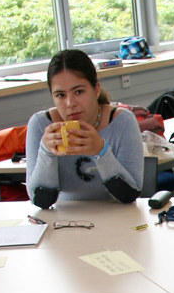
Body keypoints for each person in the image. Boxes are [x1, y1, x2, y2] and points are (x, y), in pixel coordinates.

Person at [26, 49, 144, 208]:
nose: (70, 104)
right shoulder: (41, 124)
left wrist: (101, 152)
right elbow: (41, 201)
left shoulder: (122, 121)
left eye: (79, 92)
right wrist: (47, 152)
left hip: (116, 217)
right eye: (60, 95)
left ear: (95, 90)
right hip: (65, 220)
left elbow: (129, 195)